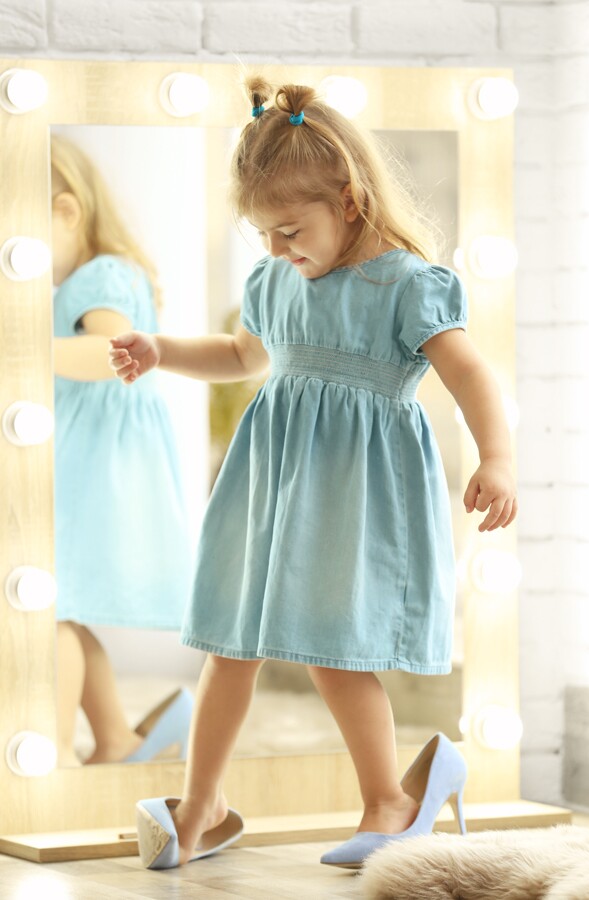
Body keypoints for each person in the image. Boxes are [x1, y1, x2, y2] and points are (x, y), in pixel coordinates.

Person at [109, 77, 517, 870]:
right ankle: (202, 806)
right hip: (270, 483)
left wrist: (496, 456)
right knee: (230, 639)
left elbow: (470, 375)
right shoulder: (276, 280)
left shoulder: (403, 284)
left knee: (337, 649)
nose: (275, 249)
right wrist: (163, 351)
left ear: (351, 200)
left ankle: (391, 798)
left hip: (356, 491)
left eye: (289, 228)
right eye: (262, 233)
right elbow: (241, 356)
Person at [51, 135, 193, 767]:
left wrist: (23, 350)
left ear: (66, 211)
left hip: (93, 468)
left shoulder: (97, 277)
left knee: (43, 614)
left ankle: (49, 754)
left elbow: (115, 355)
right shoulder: (99, 275)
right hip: (101, 461)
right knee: (60, 610)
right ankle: (115, 739)